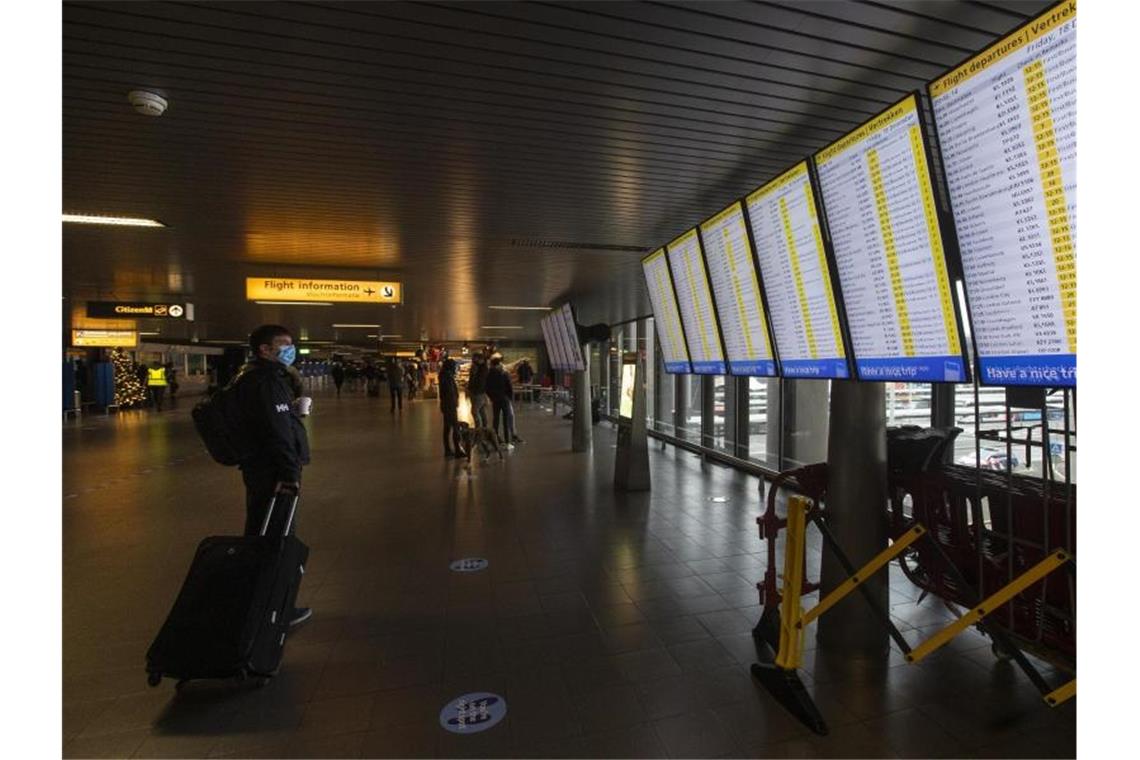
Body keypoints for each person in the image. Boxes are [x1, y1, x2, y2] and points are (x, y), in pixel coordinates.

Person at [235, 324, 311, 627]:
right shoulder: (266, 381)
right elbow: (278, 432)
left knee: (262, 533)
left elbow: (270, 421)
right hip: (274, 473)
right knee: (276, 539)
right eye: (284, 344)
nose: (290, 350)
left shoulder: (252, 377)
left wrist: (292, 411)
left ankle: (257, 604)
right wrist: (290, 472)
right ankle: (274, 609)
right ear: (265, 349)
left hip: (260, 468)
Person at [486, 355, 522, 447]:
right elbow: (509, 387)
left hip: (495, 399)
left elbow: (487, 388)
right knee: (506, 419)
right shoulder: (504, 373)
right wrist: (509, 398)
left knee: (496, 419)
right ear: (499, 364)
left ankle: (495, 439)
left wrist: (492, 397)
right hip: (504, 399)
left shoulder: (489, 374)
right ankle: (507, 442)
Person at [439, 358, 464, 458]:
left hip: (447, 405)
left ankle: (448, 450)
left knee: (447, 428)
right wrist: (455, 401)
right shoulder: (447, 377)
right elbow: (450, 392)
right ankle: (457, 449)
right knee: (455, 428)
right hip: (449, 405)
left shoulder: (444, 375)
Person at [467, 352, 490, 428]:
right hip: (478, 392)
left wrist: (474, 389)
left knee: (474, 411)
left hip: (478, 392)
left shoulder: (481, 368)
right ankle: (484, 428)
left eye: (474, 358)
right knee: (481, 411)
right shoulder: (479, 367)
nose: (473, 360)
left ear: (480, 359)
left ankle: (478, 428)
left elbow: (479, 381)